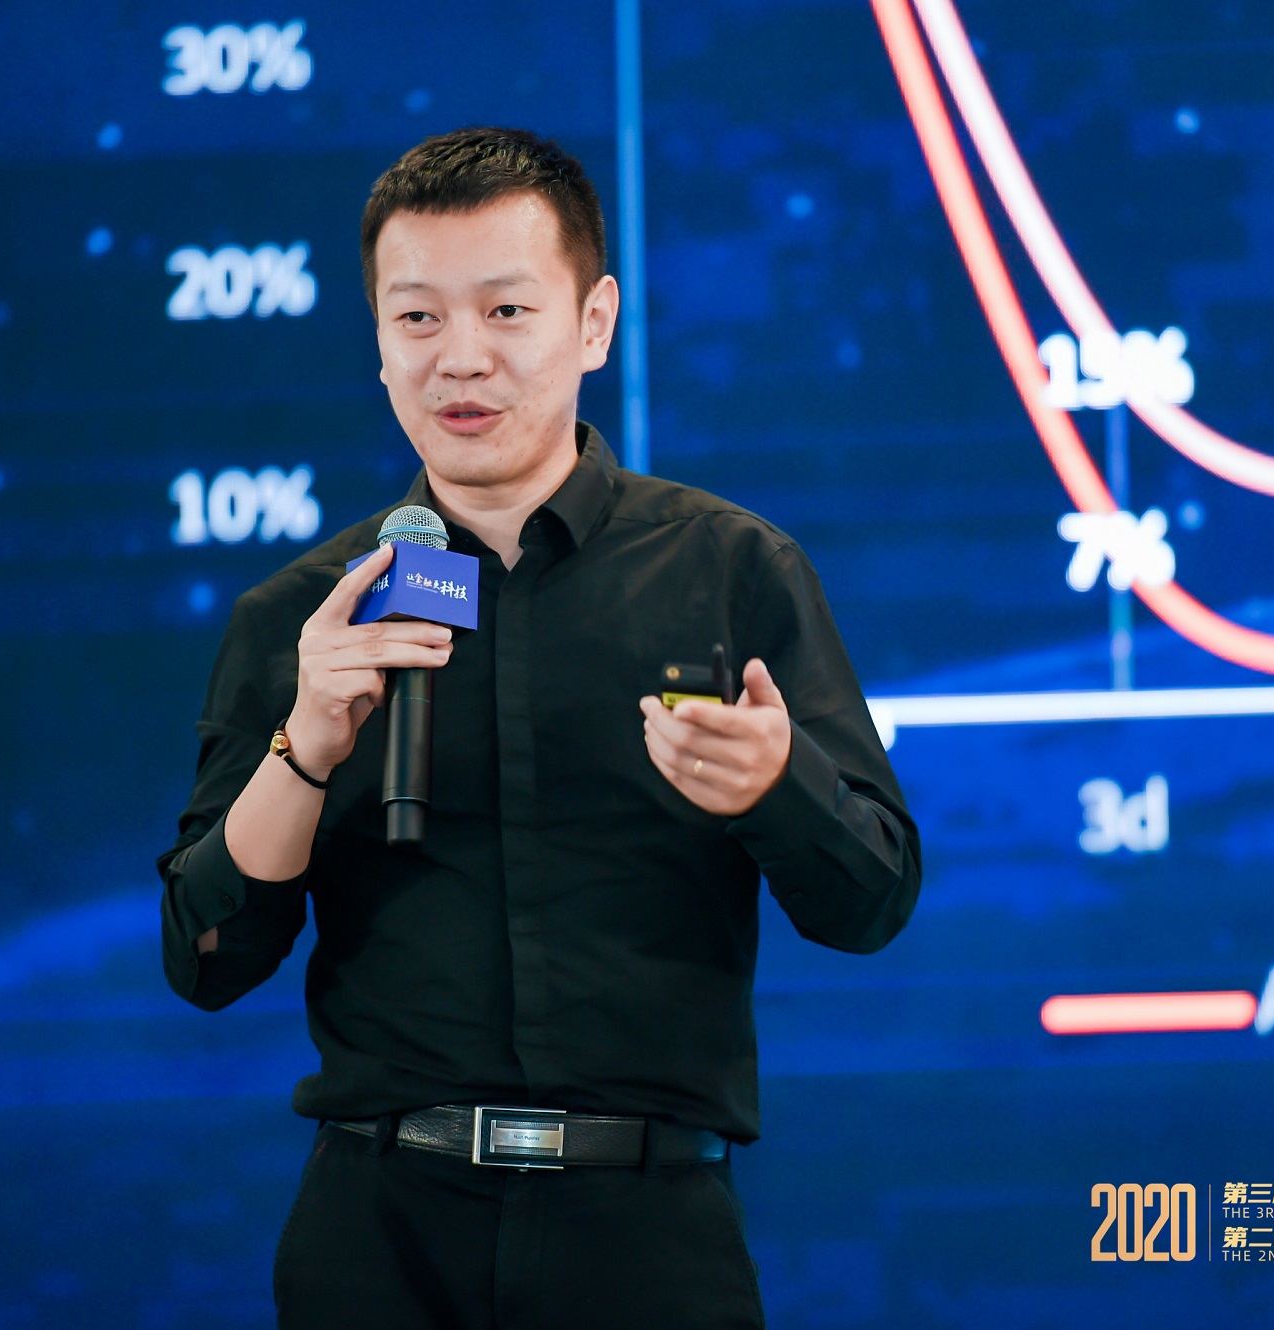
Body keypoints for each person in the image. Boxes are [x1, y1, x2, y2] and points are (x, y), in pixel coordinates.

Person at [157, 126, 923, 1330]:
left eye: (506, 310)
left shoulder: (728, 572)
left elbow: (870, 901)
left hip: (646, 1234)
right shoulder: (303, 616)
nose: (460, 357)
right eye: (417, 318)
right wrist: (304, 745)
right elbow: (206, 959)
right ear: (377, 342)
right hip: (380, 1236)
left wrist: (776, 784)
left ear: (593, 322)